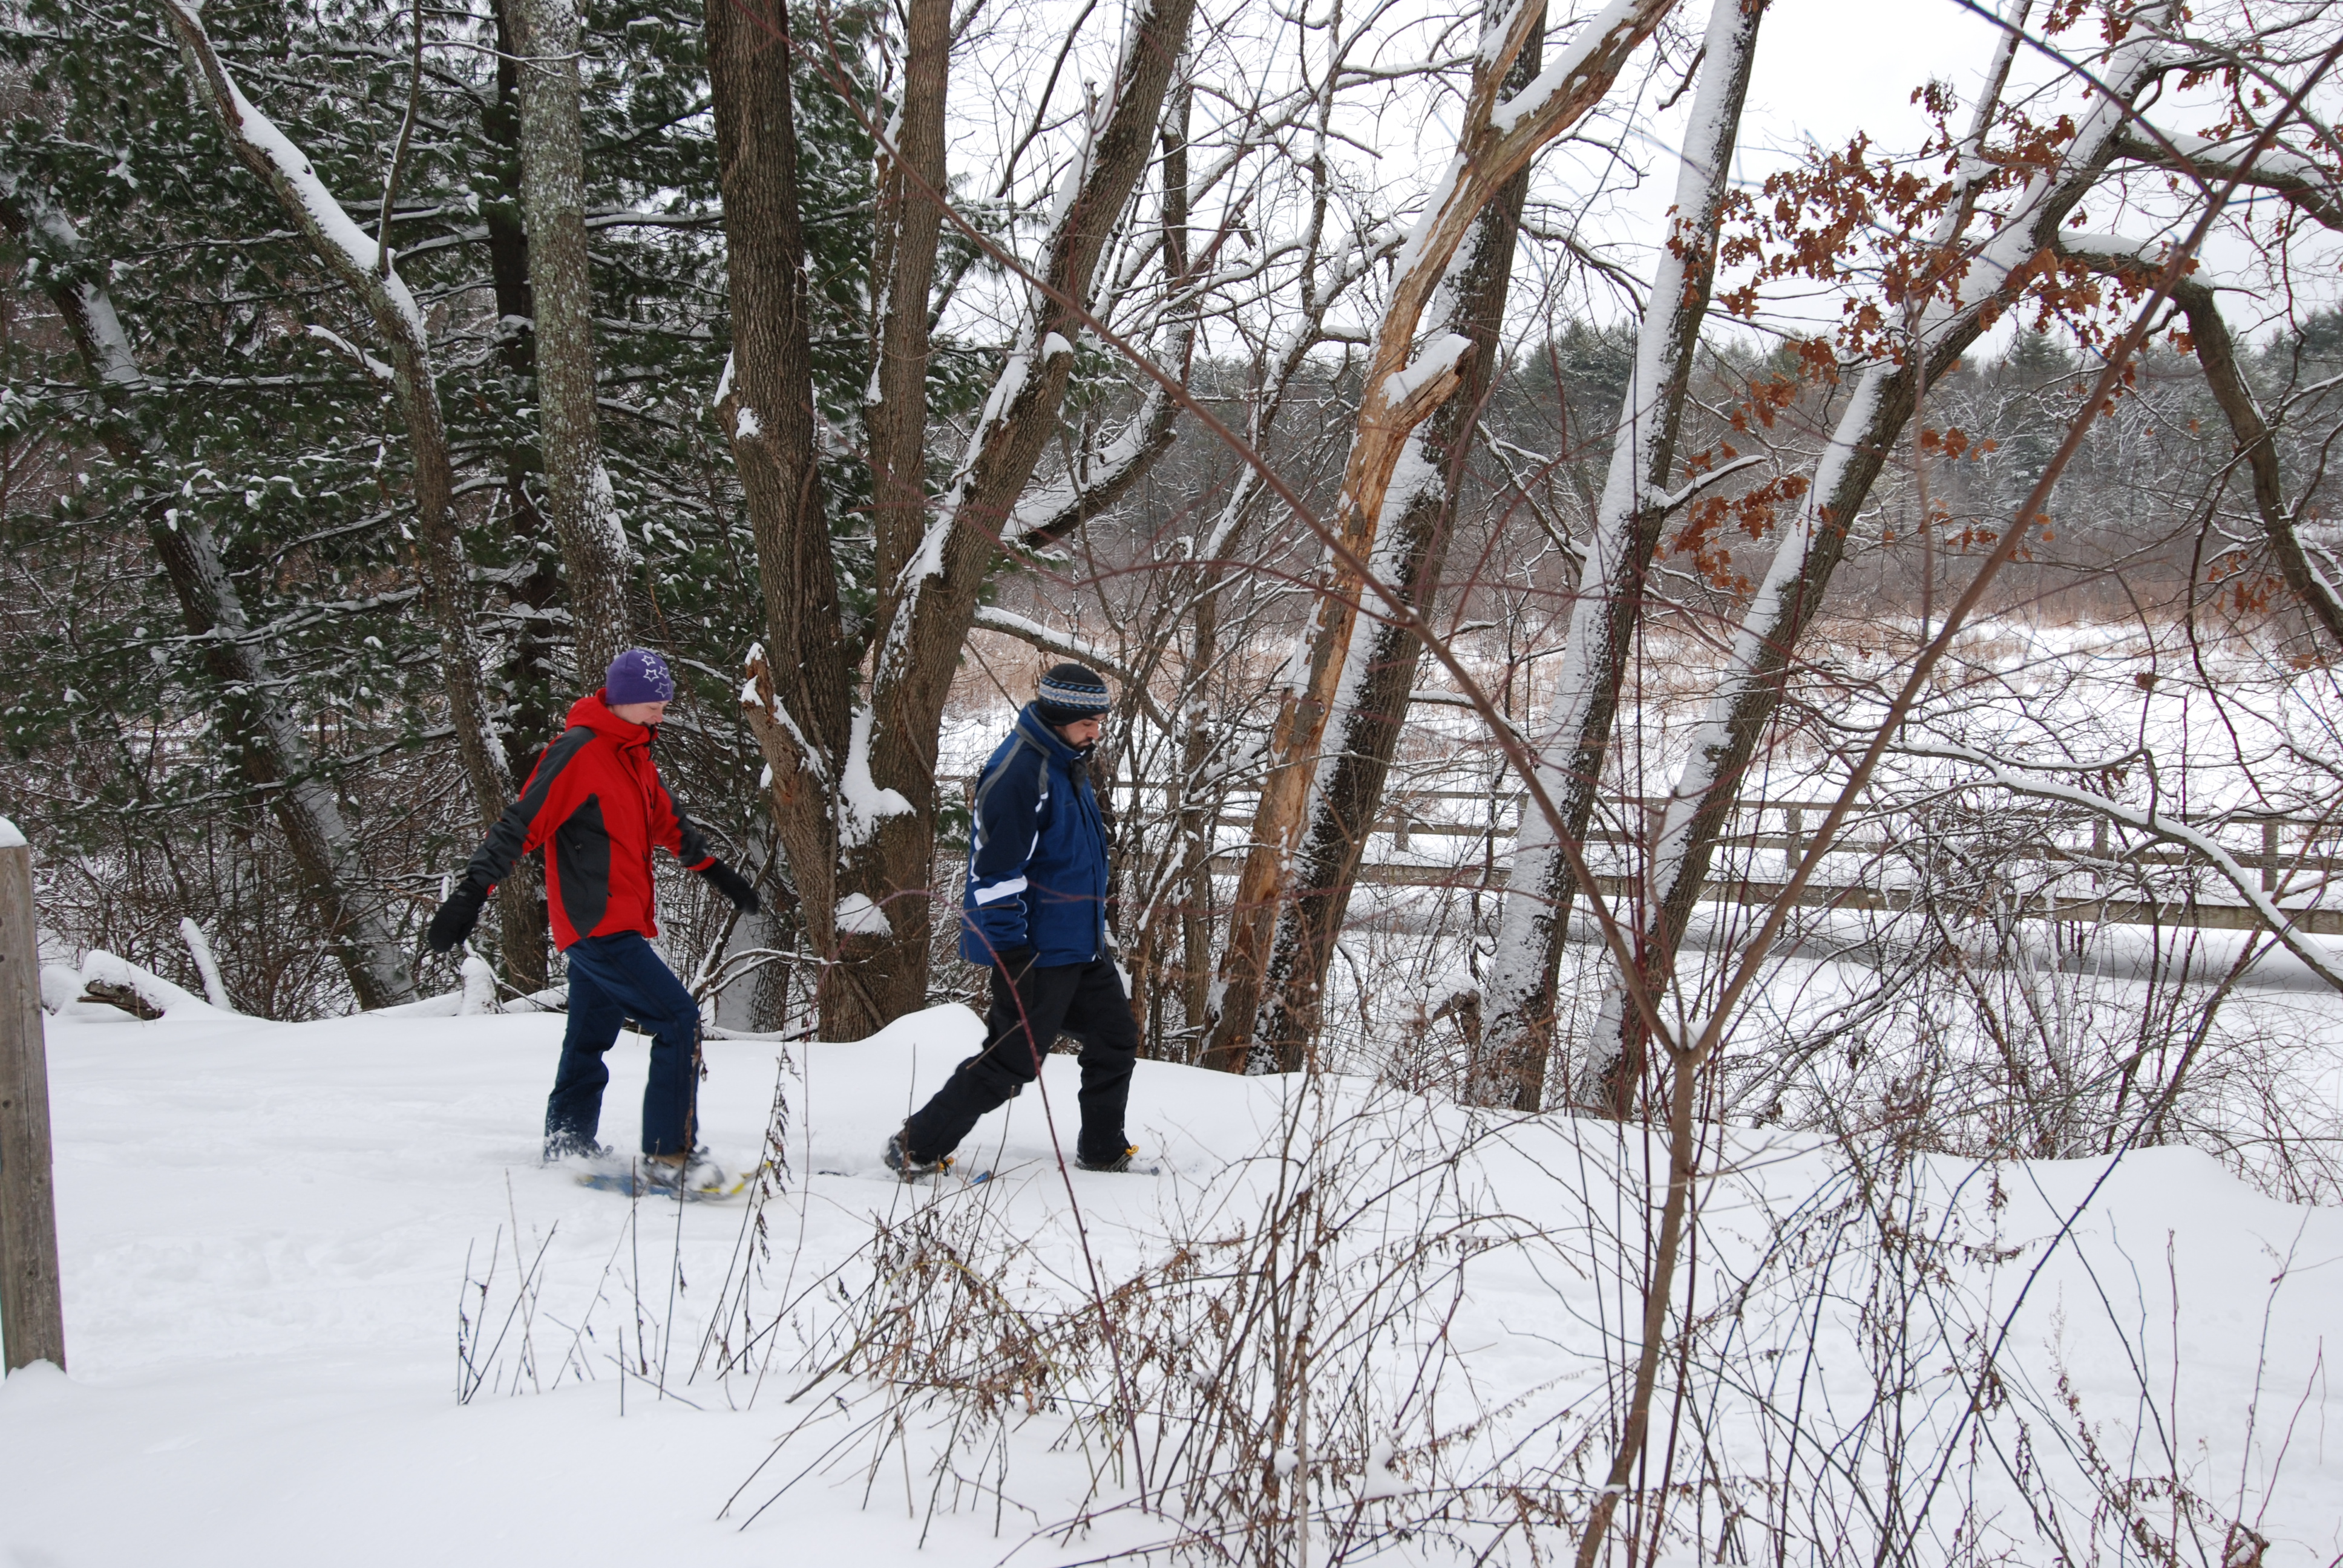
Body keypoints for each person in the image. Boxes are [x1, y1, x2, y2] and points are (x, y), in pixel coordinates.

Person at [425, 648, 760, 1186]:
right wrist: (471, 893)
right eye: (653, 704)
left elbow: (667, 821)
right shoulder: (578, 752)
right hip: (597, 922)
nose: (661, 714)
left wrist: (716, 872)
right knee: (677, 1020)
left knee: (587, 1040)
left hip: (616, 920)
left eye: (665, 704)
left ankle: (567, 1143)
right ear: (624, 701)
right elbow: (521, 824)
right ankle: (671, 1158)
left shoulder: (634, 756)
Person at [886, 663, 1141, 1178]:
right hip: (1037, 951)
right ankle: (916, 1146)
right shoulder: (1022, 773)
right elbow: (996, 874)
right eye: (1090, 721)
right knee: (1013, 1061)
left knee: (1115, 1038)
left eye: (1099, 721)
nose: (1098, 732)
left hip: (1080, 944)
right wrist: (1012, 953)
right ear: (1061, 715)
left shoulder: (1067, 761)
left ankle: (1102, 1148)